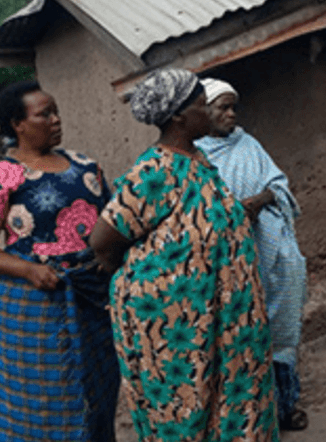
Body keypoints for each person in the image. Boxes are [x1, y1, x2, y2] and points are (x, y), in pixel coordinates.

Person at [90, 68, 279, 442]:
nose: (209, 112)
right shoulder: (153, 171)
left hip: (225, 316)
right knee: (186, 408)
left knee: (233, 404)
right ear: (178, 115)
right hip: (179, 322)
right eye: (201, 105)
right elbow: (102, 240)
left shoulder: (198, 160)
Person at [0, 80, 119, 440]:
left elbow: (113, 224)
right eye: (44, 114)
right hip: (36, 303)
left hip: (92, 299)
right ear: (17, 124)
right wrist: (28, 270)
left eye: (56, 112)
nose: (56, 120)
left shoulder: (85, 166)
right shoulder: (6, 174)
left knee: (99, 389)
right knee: (46, 397)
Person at [195, 78, 309, 431]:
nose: (231, 114)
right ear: (204, 111)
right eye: (223, 108)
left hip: (270, 252)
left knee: (280, 332)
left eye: (233, 107)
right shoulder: (194, 155)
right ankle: (253, 416)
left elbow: (279, 185)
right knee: (240, 336)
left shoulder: (248, 144)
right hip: (228, 262)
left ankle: (287, 404)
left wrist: (260, 201)